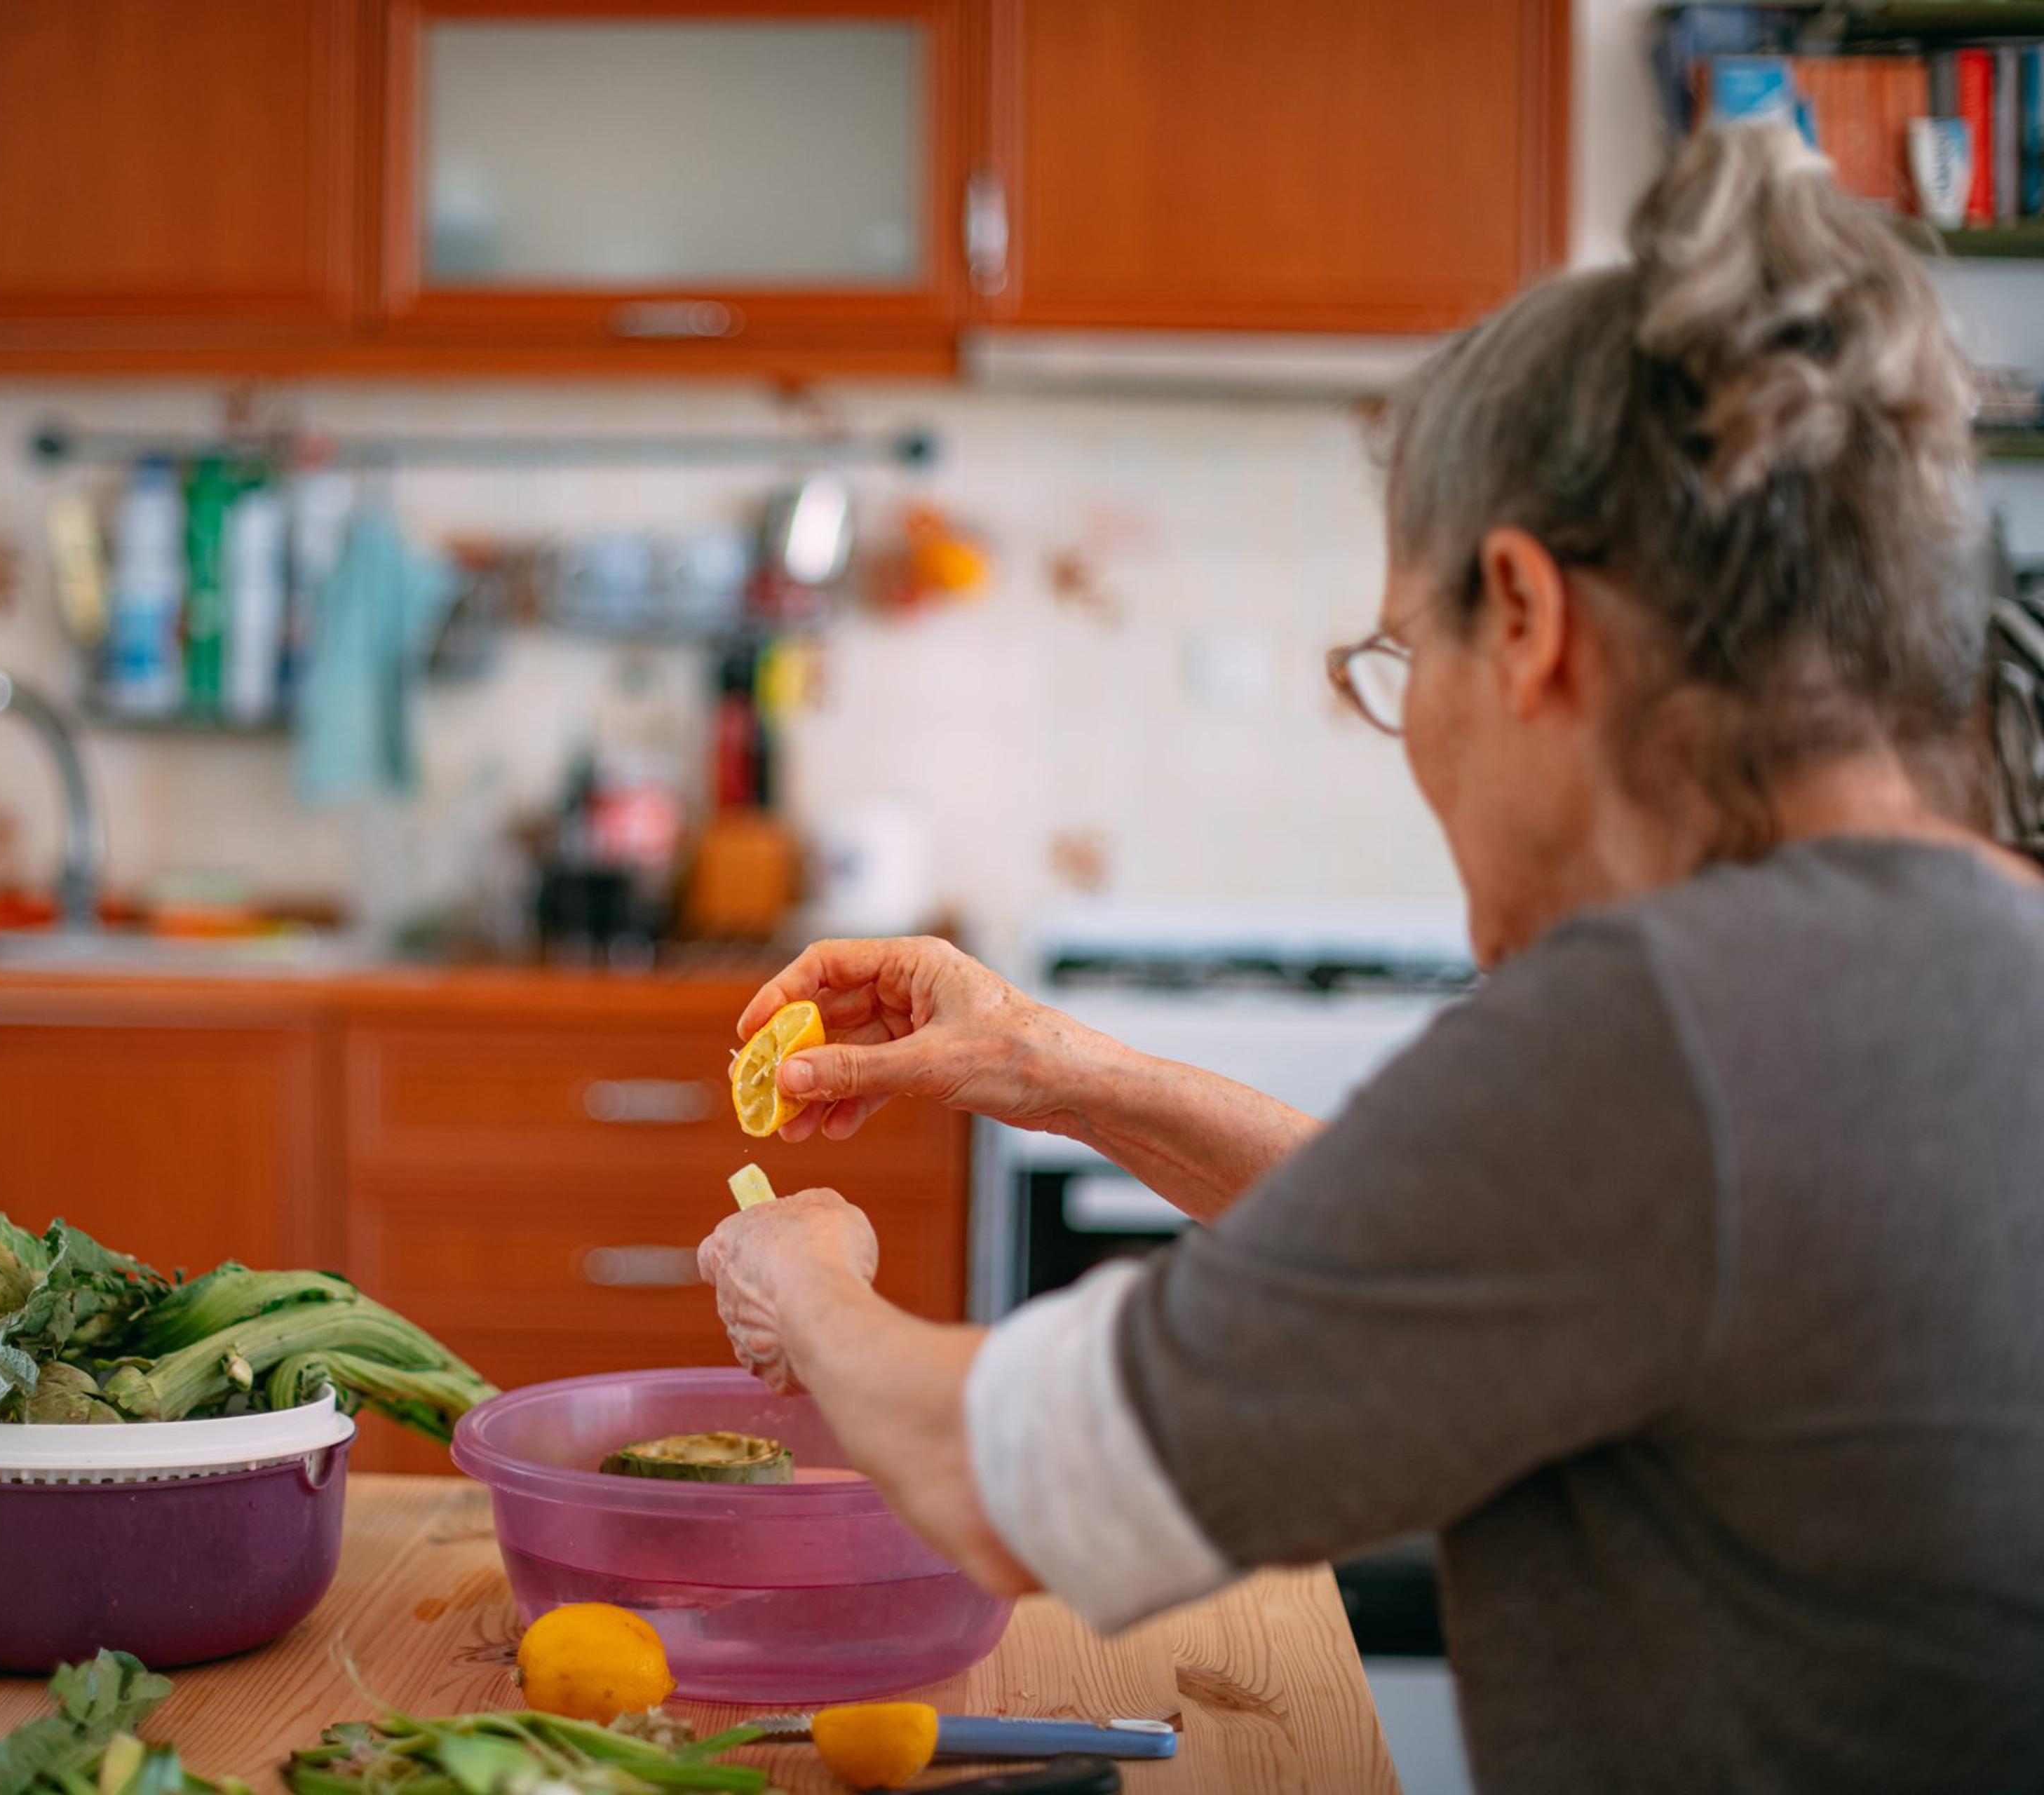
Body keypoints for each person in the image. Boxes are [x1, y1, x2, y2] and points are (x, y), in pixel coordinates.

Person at [696, 123, 2044, 1795]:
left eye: (1404, 657)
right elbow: (1481, 1254)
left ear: (1529, 617)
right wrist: (1051, 1068)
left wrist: (803, 1283)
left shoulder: (1664, 1025)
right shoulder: (1972, 941)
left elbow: (1010, 1482)